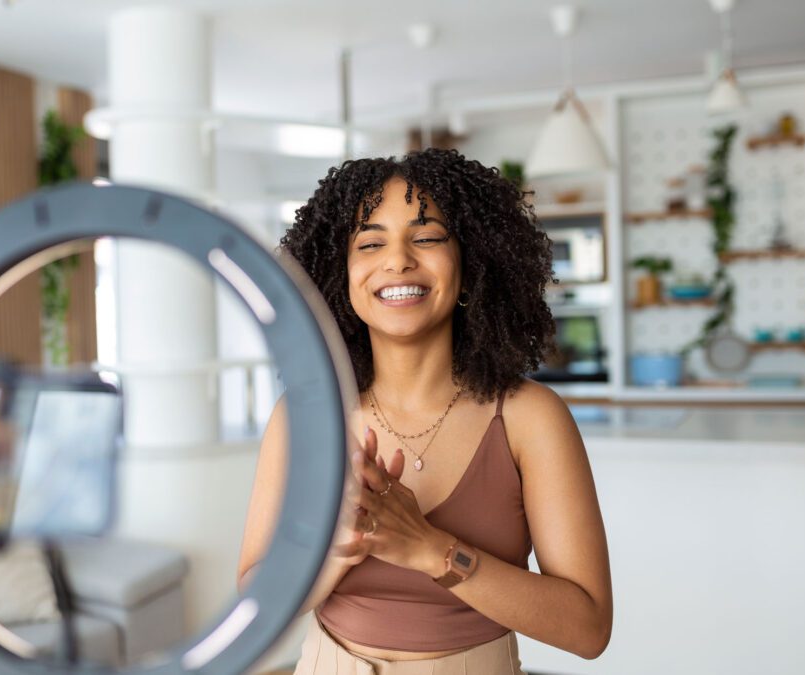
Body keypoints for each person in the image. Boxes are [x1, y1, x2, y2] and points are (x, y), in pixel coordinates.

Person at [237, 148, 612, 674]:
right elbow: (254, 604)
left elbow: (588, 628)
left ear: (471, 262)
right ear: (340, 275)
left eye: (428, 237)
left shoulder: (530, 418)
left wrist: (431, 550)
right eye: (370, 243)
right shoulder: (303, 417)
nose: (397, 261)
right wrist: (341, 547)